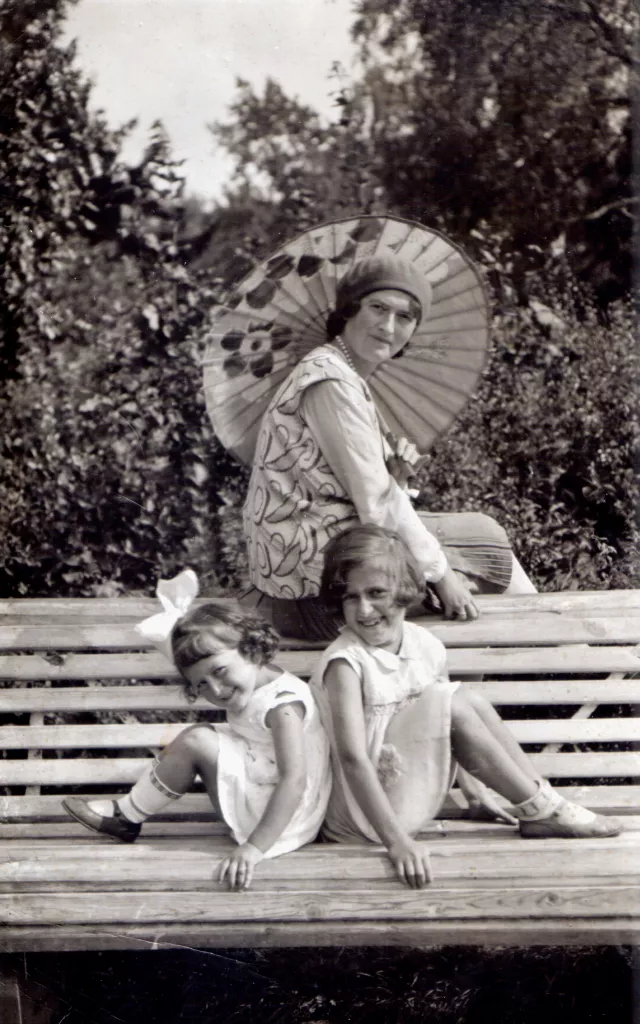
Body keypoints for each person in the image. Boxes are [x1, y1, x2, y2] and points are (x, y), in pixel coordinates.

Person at [242, 253, 536, 643]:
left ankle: (558, 647)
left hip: (312, 562)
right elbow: (377, 505)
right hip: (314, 594)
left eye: (405, 317)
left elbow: (359, 491)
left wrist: (395, 477)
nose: (388, 327)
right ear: (349, 310)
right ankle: (562, 648)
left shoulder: (338, 372)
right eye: (378, 308)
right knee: (485, 540)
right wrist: (442, 576)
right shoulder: (332, 383)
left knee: (476, 539)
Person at [310, 525, 621, 889]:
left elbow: (447, 728)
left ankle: (543, 805)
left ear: (405, 589)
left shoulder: (424, 645)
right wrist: (397, 842)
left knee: (467, 698)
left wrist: (474, 794)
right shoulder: (346, 663)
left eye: (376, 593)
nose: (364, 609)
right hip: (362, 818)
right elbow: (352, 760)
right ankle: (543, 810)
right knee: (454, 701)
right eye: (351, 597)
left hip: (403, 794)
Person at [62, 598, 332, 890]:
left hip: (281, 822)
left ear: (252, 649)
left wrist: (254, 848)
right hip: (273, 800)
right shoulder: (258, 684)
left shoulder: (283, 706)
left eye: (219, 671)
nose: (216, 690)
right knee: (201, 735)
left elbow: (295, 780)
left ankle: (126, 815)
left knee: (197, 740)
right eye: (201, 684)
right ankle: (127, 813)